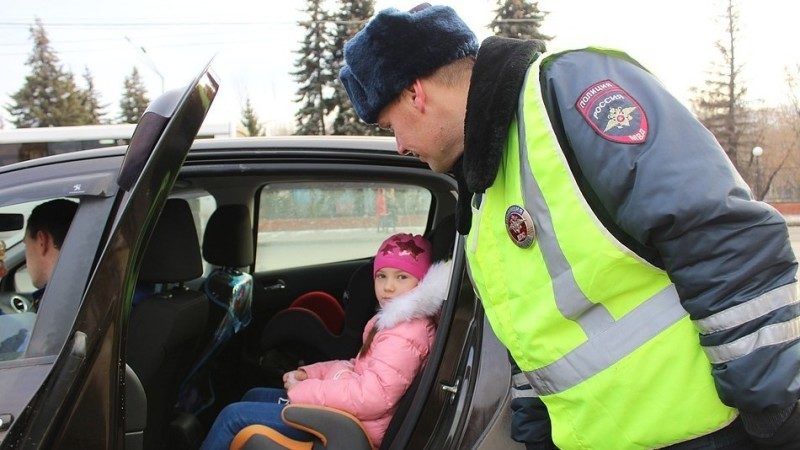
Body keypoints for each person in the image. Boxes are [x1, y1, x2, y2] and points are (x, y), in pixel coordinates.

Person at [338, 4, 799, 449]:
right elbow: (535, 336)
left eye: (389, 125)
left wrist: (779, 411)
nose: (398, 146)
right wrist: (537, 431)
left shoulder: (570, 93)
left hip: (707, 434)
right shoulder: (485, 186)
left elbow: (720, 237)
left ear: (415, 93)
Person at [200, 233, 451, 449]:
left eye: (401, 277)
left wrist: (304, 392)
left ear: (422, 282)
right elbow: (356, 366)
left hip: (350, 427)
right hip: (348, 414)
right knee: (254, 394)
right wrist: (309, 374)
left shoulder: (406, 334)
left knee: (232, 416)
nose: (388, 287)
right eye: (381, 276)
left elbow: (373, 397)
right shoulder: (394, 324)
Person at [0, 199, 78, 360]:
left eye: (26, 245)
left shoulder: (60, 305)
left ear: (42, 241)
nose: (5, 270)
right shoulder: (86, 289)